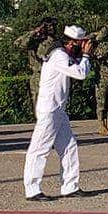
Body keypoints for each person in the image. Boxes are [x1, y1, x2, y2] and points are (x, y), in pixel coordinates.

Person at [22, 25, 95, 201]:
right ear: (72, 43)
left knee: (69, 146)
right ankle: (32, 189)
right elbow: (80, 73)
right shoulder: (60, 56)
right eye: (80, 43)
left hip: (58, 109)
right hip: (49, 109)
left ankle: (70, 186)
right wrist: (86, 55)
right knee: (40, 149)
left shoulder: (61, 54)